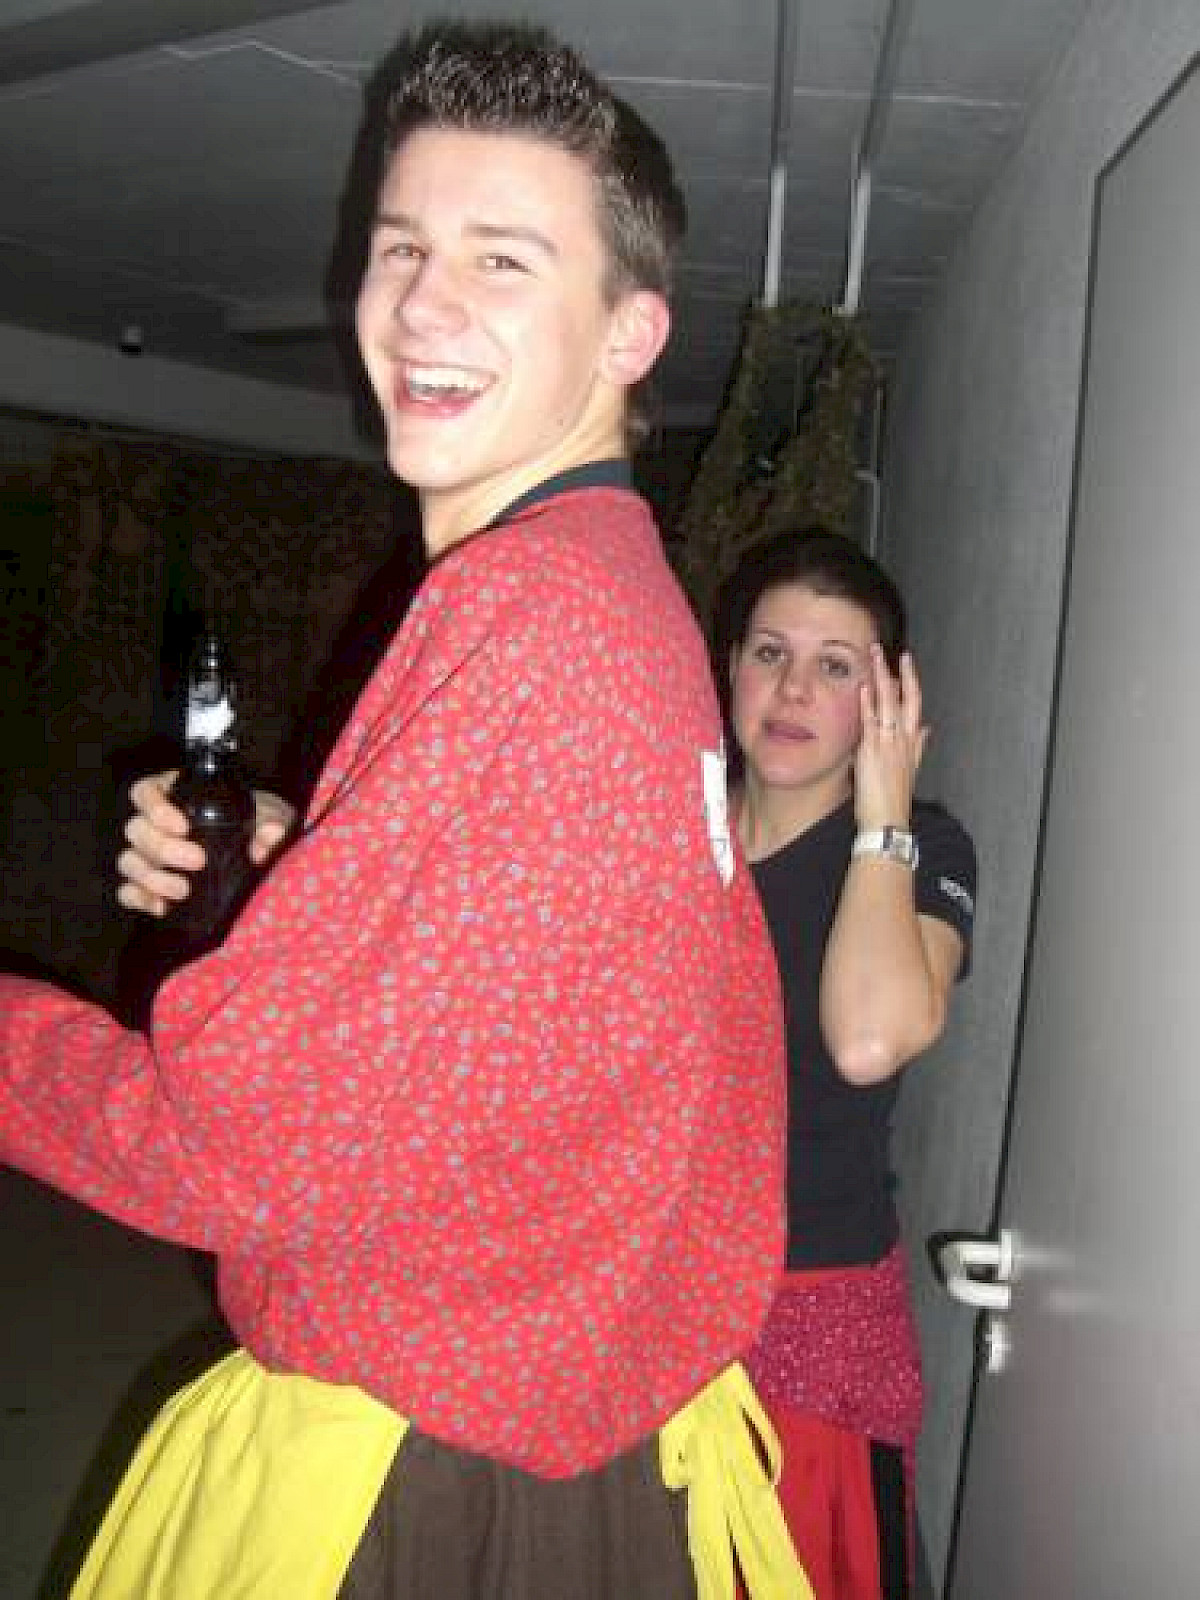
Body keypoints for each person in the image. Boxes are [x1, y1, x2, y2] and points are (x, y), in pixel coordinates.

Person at [0, 22, 810, 1600]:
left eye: (503, 260)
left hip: (442, 1479)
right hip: (573, 1418)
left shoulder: (533, 625)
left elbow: (232, 1156)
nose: (422, 307)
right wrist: (314, 867)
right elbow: (551, 983)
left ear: (629, 332)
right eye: (399, 249)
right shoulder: (610, 593)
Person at [714, 528, 977, 1600]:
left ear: (882, 703)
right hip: (650, 1290)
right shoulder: (666, 831)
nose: (792, 689)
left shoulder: (926, 847)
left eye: (835, 667)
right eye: (770, 652)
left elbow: (869, 1042)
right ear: (730, 663)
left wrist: (883, 820)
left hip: (811, 1317)